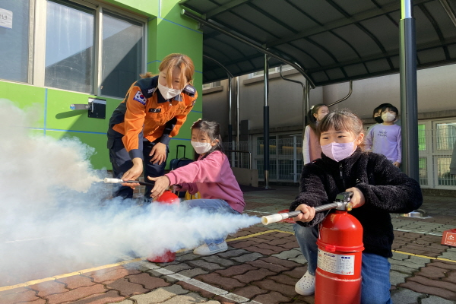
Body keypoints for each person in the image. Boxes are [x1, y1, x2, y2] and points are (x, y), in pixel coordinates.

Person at [290, 110, 422, 304]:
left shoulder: (375, 162)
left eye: (340, 135)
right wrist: (307, 207)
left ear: (359, 137)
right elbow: (312, 193)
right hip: (329, 243)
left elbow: (411, 193)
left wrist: (366, 194)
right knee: (301, 229)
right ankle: (315, 270)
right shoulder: (314, 169)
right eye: (326, 137)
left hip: (371, 244)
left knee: (373, 300)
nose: (332, 142)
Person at [107, 53, 197, 201]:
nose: (168, 85)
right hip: (124, 131)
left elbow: (178, 118)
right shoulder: (141, 90)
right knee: (127, 176)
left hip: (155, 135)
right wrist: (137, 161)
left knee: (155, 175)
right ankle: (121, 216)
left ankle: (151, 213)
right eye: (163, 78)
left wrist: (163, 143)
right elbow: (134, 127)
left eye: (176, 81)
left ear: (188, 82)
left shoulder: (190, 96)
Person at [148, 120, 245, 256]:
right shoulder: (203, 158)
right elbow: (195, 183)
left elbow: (197, 170)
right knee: (191, 209)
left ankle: (216, 242)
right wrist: (180, 184)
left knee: (188, 208)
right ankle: (216, 234)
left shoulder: (217, 158)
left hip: (229, 207)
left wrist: (169, 177)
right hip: (218, 207)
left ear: (214, 142)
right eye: (194, 138)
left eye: (202, 139)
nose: (196, 141)